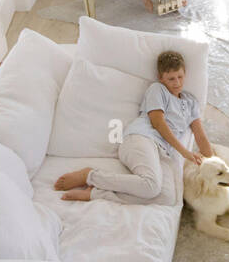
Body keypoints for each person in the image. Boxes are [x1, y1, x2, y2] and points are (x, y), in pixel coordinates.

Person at [54, 50, 212, 204]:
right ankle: (89, 176)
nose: (177, 83)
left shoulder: (191, 102)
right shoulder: (157, 89)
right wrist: (184, 152)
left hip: (162, 152)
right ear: (161, 78)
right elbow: (158, 123)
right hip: (141, 139)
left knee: (168, 197)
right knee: (151, 187)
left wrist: (214, 167)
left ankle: (96, 193)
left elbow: (200, 136)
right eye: (171, 79)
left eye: (180, 77)